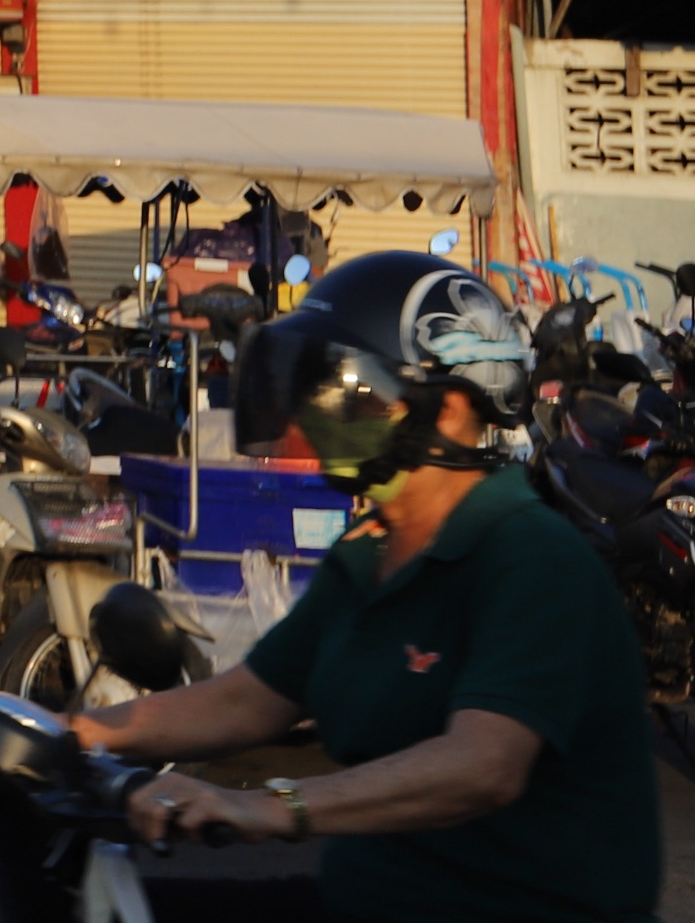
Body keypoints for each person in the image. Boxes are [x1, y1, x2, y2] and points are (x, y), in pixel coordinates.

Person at [75, 252, 659, 923]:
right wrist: (68, 731)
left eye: (347, 386)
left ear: (446, 412)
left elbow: (481, 763)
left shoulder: (529, 556)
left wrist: (273, 804)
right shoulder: (367, 554)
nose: (320, 407)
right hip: (371, 899)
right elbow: (245, 700)